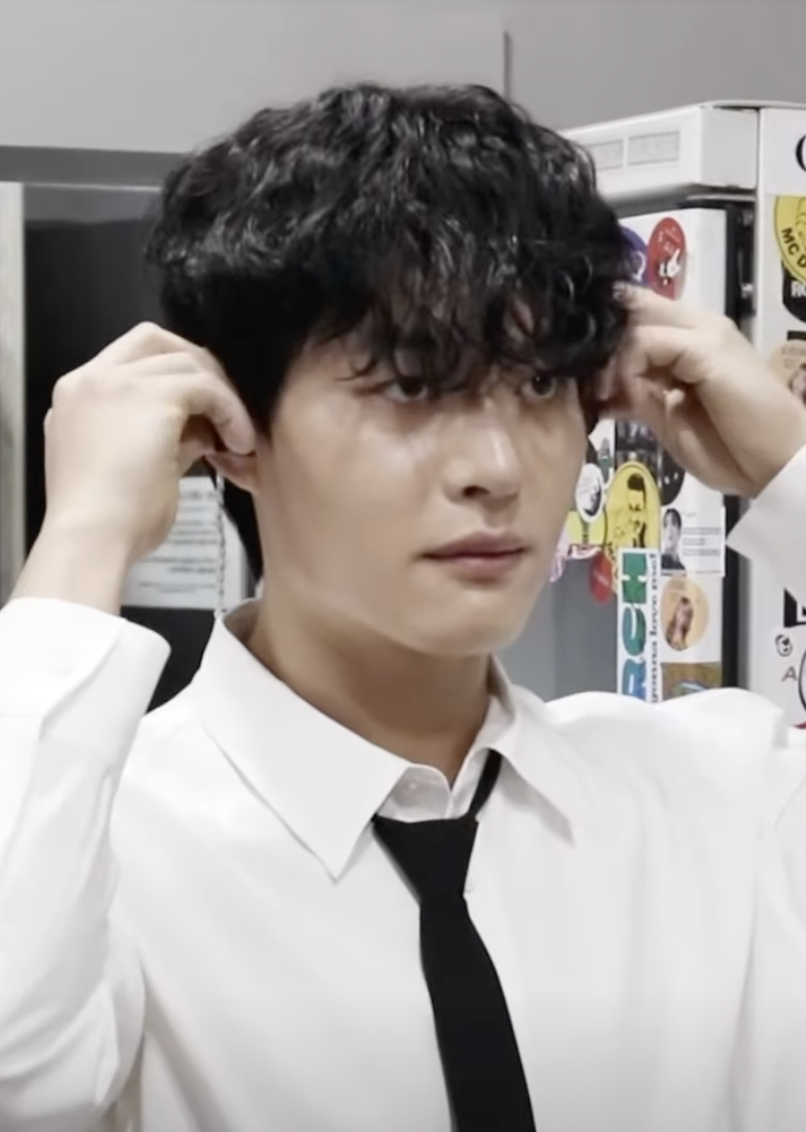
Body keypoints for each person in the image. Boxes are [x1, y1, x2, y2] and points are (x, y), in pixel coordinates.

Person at [2, 83, 806, 1132]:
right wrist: (84, 531)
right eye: (413, 389)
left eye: (539, 387)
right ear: (229, 429)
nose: (497, 468)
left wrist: (788, 465)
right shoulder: (89, 844)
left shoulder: (719, 794)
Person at [661, 506, 685, 573]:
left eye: (673, 524)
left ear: (679, 531)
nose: (669, 529)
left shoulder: (681, 569)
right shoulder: (658, 563)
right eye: (665, 525)